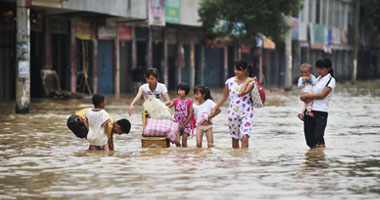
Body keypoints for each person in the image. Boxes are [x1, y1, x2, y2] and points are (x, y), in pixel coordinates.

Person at [211, 59, 255, 149]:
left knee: (245, 136)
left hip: (247, 114)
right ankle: (236, 158)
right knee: (234, 138)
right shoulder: (229, 81)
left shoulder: (251, 83)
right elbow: (224, 97)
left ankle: (245, 160)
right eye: (235, 69)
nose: (236, 72)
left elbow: (241, 93)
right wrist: (215, 108)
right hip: (233, 114)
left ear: (245, 70)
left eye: (239, 70)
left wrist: (247, 81)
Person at [300, 58, 336, 149]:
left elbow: (322, 95)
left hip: (321, 112)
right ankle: (314, 158)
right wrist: (303, 97)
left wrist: (307, 96)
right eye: (318, 68)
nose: (319, 70)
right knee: (309, 140)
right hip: (309, 110)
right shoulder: (316, 79)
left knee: (318, 137)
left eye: (322, 68)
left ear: (328, 68)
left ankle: (319, 159)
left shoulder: (330, 80)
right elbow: (307, 89)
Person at [168, 82, 194, 147]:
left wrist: (184, 125)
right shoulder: (175, 101)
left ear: (186, 91)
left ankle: (184, 155)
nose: (179, 92)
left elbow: (191, 114)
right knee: (177, 142)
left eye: (182, 90)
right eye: (178, 90)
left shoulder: (190, 102)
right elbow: (167, 108)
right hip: (177, 124)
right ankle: (178, 154)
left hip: (186, 124)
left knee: (184, 143)